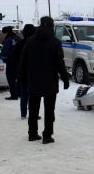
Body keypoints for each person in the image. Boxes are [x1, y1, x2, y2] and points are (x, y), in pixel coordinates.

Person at [19, 16, 69, 144]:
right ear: (51, 26)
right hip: (50, 82)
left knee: (33, 109)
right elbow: (60, 63)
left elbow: (23, 62)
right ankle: (47, 135)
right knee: (49, 110)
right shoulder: (55, 42)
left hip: (33, 80)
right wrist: (65, 78)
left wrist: (21, 77)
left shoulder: (30, 41)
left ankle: (32, 134)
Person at [12, 24, 36, 119]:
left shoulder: (20, 43)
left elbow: (14, 55)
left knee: (24, 93)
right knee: (33, 94)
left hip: (22, 71)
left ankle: (23, 113)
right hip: (33, 73)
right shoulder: (35, 43)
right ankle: (33, 113)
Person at [1, 26, 20, 100]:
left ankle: (14, 95)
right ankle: (19, 93)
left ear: (6, 32)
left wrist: (3, 58)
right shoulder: (17, 38)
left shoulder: (8, 39)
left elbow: (5, 51)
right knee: (18, 78)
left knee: (10, 78)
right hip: (19, 61)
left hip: (11, 61)